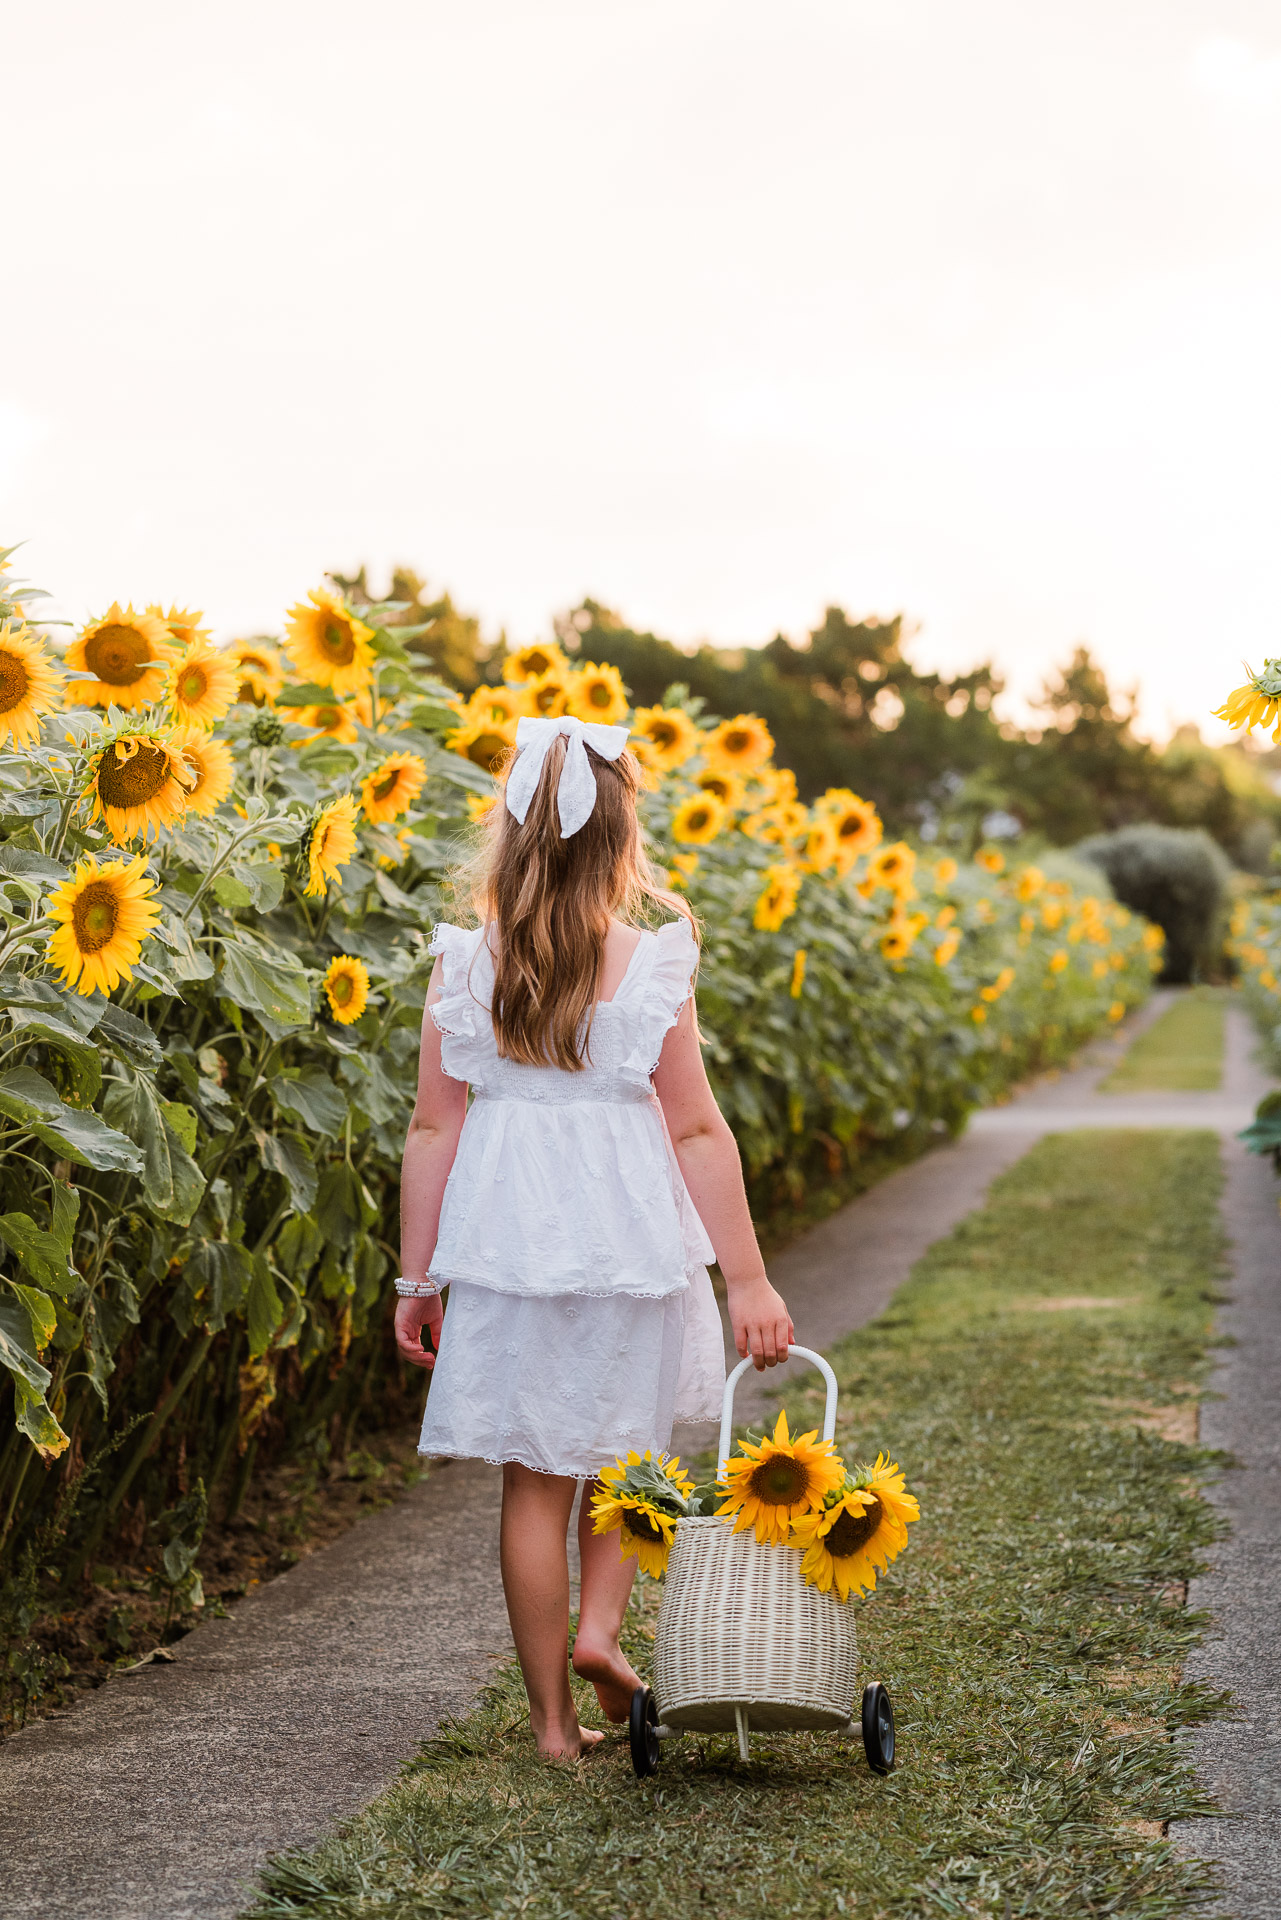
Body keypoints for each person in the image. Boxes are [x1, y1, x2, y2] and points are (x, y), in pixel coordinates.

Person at [394, 712, 793, 1759]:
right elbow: (697, 1128)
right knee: (626, 1457)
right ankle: (603, 1632)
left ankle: (551, 1730)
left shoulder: (463, 968)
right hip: (630, 1246)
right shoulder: (651, 964)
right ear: (623, 843)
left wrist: (415, 1280)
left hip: (510, 1249)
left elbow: (435, 1126)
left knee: (535, 1480)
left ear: (511, 837)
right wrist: (746, 1280)